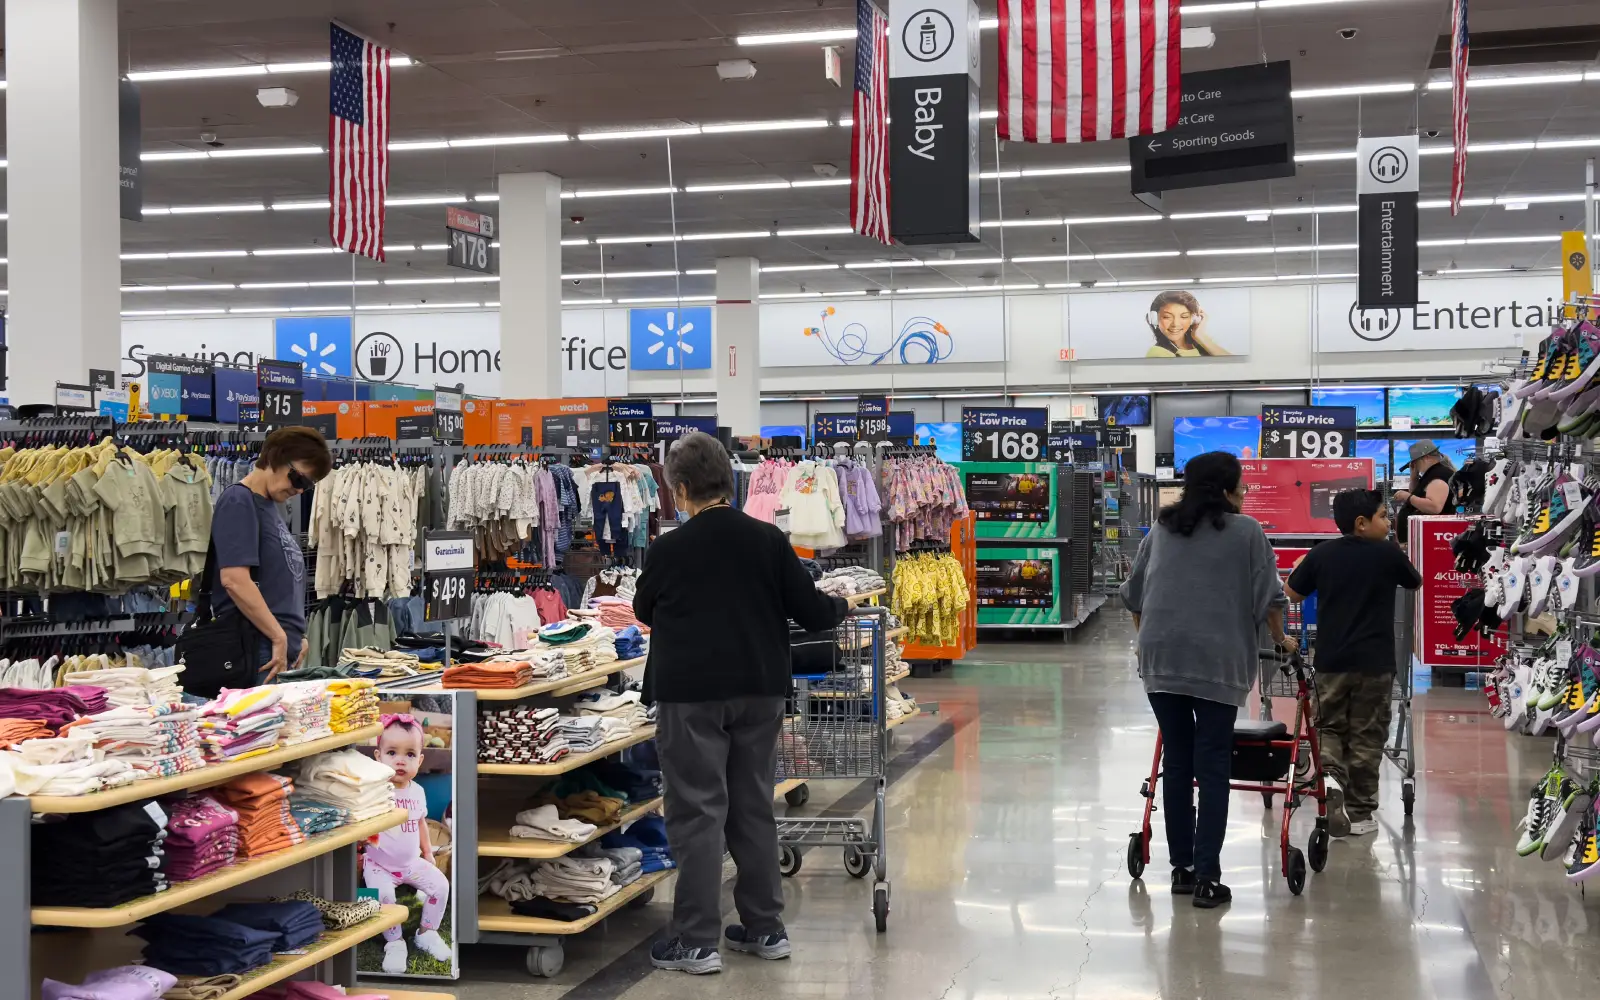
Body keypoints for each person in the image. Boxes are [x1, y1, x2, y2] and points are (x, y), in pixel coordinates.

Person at [634, 431, 849, 974]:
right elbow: (812, 611)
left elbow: (642, 609)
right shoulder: (767, 539)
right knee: (753, 806)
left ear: (682, 489)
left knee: (698, 811)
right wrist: (841, 606)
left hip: (692, 697)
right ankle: (765, 928)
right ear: (729, 482)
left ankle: (696, 940)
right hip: (760, 689)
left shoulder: (669, 549)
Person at [1120, 451, 1293, 908]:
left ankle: (1181, 869)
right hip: (1217, 658)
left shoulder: (1161, 529)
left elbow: (1134, 595)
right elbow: (1270, 598)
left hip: (1161, 658)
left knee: (1177, 761)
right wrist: (1283, 640)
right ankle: (1207, 878)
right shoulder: (1247, 531)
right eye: (1242, 485)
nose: (1245, 493)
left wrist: (1149, 641)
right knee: (1213, 763)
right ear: (1227, 490)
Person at [1284, 490, 1422, 837]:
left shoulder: (1322, 554)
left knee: (1328, 726)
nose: (1388, 523)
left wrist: (1301, 567)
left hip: (1331, 661)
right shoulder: (1387, 554)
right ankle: (1359, 813)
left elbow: (1293, 593)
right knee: (1367, 734)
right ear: (1362, 523)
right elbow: (1414, 581)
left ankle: (1331, 778)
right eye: (1383, 516)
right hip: (1375, 663)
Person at [210, 425, 332, 683]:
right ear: (277, 457)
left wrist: (298, 635)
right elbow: (234, 579)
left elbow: (275, 582)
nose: (300, 490)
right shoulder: (239, 501)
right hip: (255, 648)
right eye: (299, 480)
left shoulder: (270, 508)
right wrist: (278, 635)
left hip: (273, 650)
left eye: (307, 486)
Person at [363, 714, 452, 973]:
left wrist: (428, 852)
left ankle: (427, 932)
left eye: (410, 754)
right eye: (392, 753)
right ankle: (395, 942)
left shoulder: (418, 792)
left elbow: (421, 822)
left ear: (420, 760)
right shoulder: (376, 792)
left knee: (440, 887)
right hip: (379, 864)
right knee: (385, 896)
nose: (400, 760)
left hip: (410, 862)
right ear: (378, 757)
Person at [1394, 439, 1454, 544]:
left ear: (1425, 458)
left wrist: (1407, 496)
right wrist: (1413, 477)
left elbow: (1434, 507)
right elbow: (1416, 495)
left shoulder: (1438, 476)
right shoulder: (1430, 474)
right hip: (1421, 538)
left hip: (1430, 538)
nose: (1415, 465)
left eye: (1415, 462)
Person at [1145, 290, 1233, 358]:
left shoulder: (1200, 343)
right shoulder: (1157, 353)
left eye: (1184, 316)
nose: (1175, 324)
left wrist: (1200, 336)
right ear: (1154, 318)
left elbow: (1234, 365)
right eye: (1167, 317)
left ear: (1194, 319)